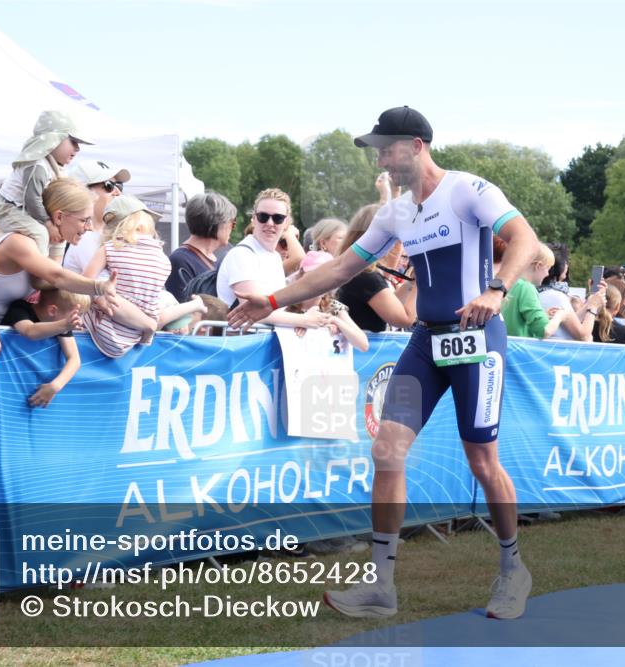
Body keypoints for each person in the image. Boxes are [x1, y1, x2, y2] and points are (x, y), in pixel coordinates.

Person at [229, 106, 542, 620]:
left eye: (387, 149)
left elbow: (526, 239)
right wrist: (272, 300)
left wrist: (496, 289)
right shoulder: (395, 213)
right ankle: (381, 584)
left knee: (483, 461)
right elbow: (339, 269)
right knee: (387, 450)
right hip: (425, 341)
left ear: (416, 146)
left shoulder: (468, 189)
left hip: (477, 339)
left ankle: (513, 570)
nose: (381, 160)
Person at [0, 177, 118, 325]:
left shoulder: (50, 244)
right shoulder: (18, 242)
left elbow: (43, 282)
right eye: (84, 220)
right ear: (59, 217)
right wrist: (99, 287)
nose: (89, 227)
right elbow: (56, 277)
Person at [81, 195, 206, 357]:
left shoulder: (109, 249)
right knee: (162, 299)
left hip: (102, 332)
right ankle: (193, 306)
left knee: (93, 290)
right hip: (135, 338)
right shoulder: (163, 260)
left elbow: (83, 284)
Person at [216, 188, 332, 331]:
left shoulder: (275, 257)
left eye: (278, 218)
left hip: (265, 339)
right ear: (253, 219)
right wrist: (304, 320)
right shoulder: (242, 255)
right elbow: (254, 311)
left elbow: (276, 309)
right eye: (263, 217)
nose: (270, 223)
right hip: (242, 340)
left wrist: (301, 323)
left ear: (287, 222)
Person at [0, 111, 92, 260]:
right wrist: (48, 224)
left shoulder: (55, 168)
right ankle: (40, 270)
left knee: (58, 231)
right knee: (41, 233)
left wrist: (54, 226)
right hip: (9, 209)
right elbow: (32, 200)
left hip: (25, 212)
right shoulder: (37, 166)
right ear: (53, 139)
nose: (78, 148)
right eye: (73, 141)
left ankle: (55, 267)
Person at [335, 203, 417, 332]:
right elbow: (405, 320)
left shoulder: (357, 268)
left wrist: (410, 284)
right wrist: (421, 282)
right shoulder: (367, 276)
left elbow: (389, 304)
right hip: (366, 344)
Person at [2, 288, 85, 407]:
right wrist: (65, 324)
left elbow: (75, 359)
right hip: (5, 384)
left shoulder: (63, 324)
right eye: (76, 316)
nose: (79, 322)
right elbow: (30, 331)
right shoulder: (20, 308)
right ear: (52, 310)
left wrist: (54, 386)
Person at [287, 250, 369, 352]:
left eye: (326, 278)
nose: (319, 282)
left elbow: (363, 345)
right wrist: (302, 321)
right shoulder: (287, 302)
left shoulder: (333, 307)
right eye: (313, 276)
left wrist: (335, 321)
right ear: (301, 277)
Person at [165, 192, 236, 303]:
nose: (232, 228)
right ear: (217, 223)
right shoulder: (180, 260)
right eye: (232, 223)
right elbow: (184, 307)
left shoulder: (220, 256)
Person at [62, 160, 130, 275]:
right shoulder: (70, 238)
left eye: (119, 186)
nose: (118, 192)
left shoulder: (118, 235)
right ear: (82, 192)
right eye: (109, 186)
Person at [501, 243, 568, 339]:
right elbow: (544, 331)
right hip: (519, 347)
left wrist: (543, 315)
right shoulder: (527, 288)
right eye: (548, 269)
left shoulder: (509, 283)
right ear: (538, 266)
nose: (547, 274)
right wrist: (560, 316)